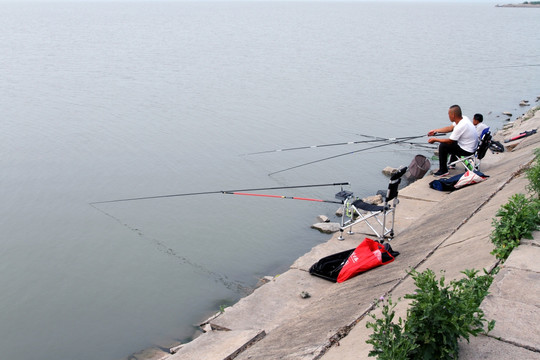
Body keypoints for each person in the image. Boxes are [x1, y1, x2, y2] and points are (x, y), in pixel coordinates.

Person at [427, 105, 479, 176]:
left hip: (467, 150)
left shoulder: (460, 126)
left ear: (453, 115)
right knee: (454, 142)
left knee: (443, 146)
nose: (448, 116)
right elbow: (449, 128)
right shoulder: (464, 118)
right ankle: (452, 164)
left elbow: (450, 141)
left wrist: (435, 140)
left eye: (449, 114)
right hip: (471, 146)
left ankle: (443, 170)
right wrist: (435, 131)